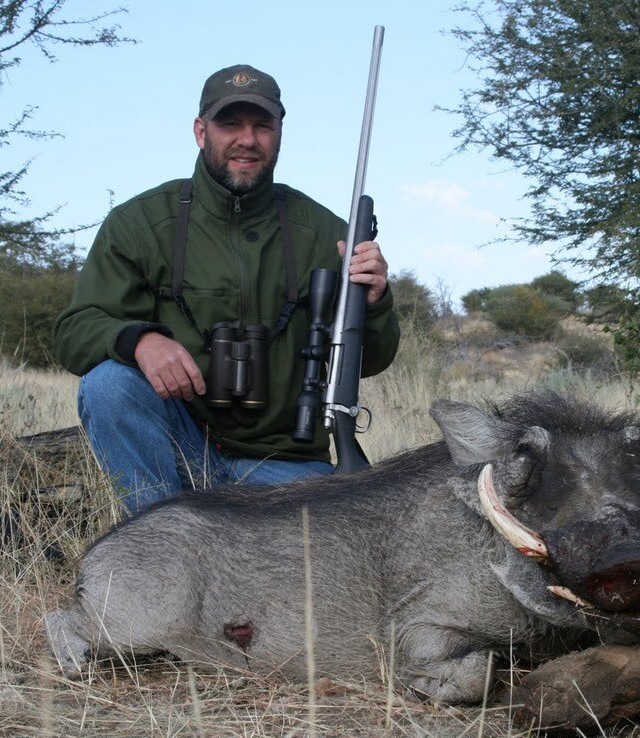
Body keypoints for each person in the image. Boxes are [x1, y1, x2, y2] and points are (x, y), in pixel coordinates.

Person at [53, 64, 401, 517]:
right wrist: (140, 340)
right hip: (181, 449)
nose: (247, 140)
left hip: (284, 466)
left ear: (279, 132)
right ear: (201, 131)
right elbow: (74, 330)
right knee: (109, 386)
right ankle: (159, 540)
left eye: (262, 126)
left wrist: (373, 301)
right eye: (230, 124)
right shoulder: (139, 222)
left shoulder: (326, 232)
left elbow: (373, 359)